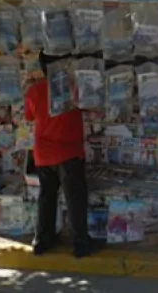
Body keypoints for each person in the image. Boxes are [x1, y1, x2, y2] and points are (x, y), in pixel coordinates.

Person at [24, 51, 95, 258]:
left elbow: (29, 116)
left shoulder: (35, 91)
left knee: (46, 197)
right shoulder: (73, 88)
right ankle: (81, 243)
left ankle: (42, 240)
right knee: (75, 199)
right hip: (69, 153)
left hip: (44, 155)